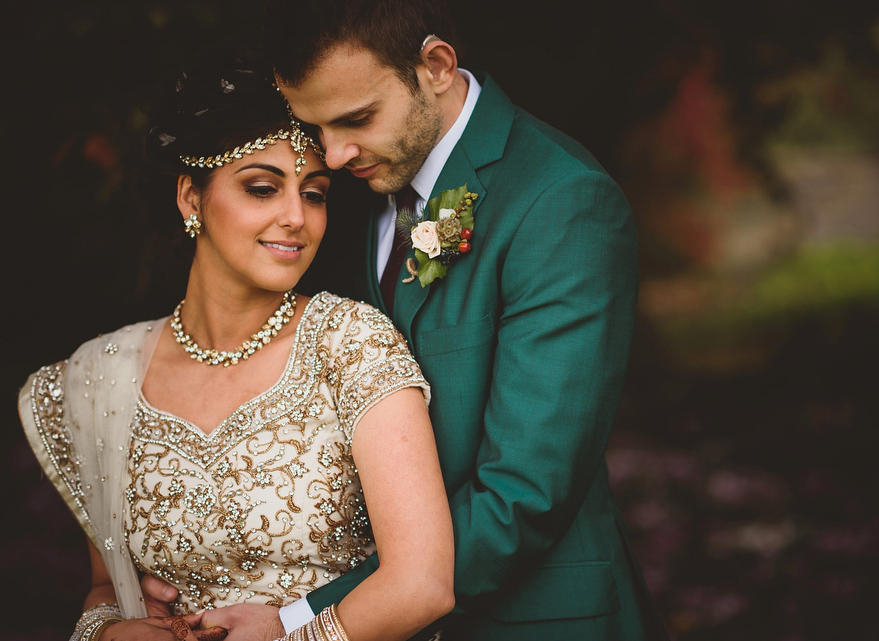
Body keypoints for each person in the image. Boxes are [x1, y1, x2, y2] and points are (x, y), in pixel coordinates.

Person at [143, 1, 667, 639]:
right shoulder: (354, 187)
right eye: (316, 128)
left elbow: (527, 492)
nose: (332, 156)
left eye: (356, 119)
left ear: (437, 66)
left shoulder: (561, 202)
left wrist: (310, 612)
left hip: (528, 618)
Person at [18, 63, 454, 641]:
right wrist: (106, 630)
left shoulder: (350, 344)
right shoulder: (100, 379)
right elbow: (109, 587)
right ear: (190, 196)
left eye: (315, 194)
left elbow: (422, 585)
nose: (296, 218)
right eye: (262, 188)